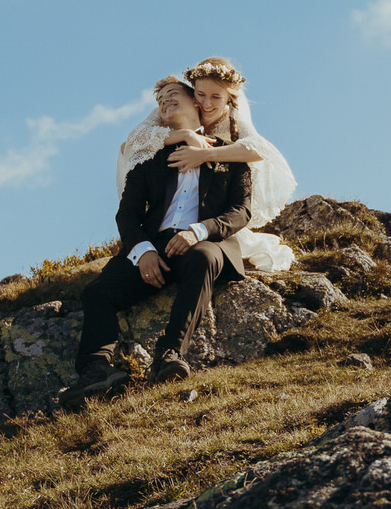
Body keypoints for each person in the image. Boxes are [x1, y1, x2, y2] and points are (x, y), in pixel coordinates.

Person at [65, 77, 255, 399]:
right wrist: (142, 251)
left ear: (196, 102)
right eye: (160, 99)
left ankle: (170, 355)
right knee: (97, 292)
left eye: (172, 95)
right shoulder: (149, 156)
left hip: (203, 242)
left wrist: (199, 231)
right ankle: (97, 371)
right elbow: (127, 214)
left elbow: (242, 211)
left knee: (204, 258)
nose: (164, 102)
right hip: (155, 246)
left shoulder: (230, 152)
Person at [116, 58, 296, 273]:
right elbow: (133, 140)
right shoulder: (176, 100)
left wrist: (204, 154)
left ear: (229, 99)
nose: (207, 104)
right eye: (201, 95)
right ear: (193, 92)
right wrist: (185, 134)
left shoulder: (234, 113)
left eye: (215, 97)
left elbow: (259, 150)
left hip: (215, 182)